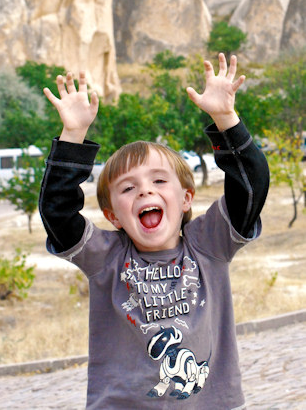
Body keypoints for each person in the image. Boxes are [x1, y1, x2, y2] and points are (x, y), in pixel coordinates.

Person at [39, 53, 269, 410]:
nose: (145, 190)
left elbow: (250, 186)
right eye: (128, 188)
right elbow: (57, 212)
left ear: (186, 198)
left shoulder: (210, 244)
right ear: (113, 215)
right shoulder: (106, 258)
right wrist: (73, 135)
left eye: (159, 181)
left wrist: (226, 119)